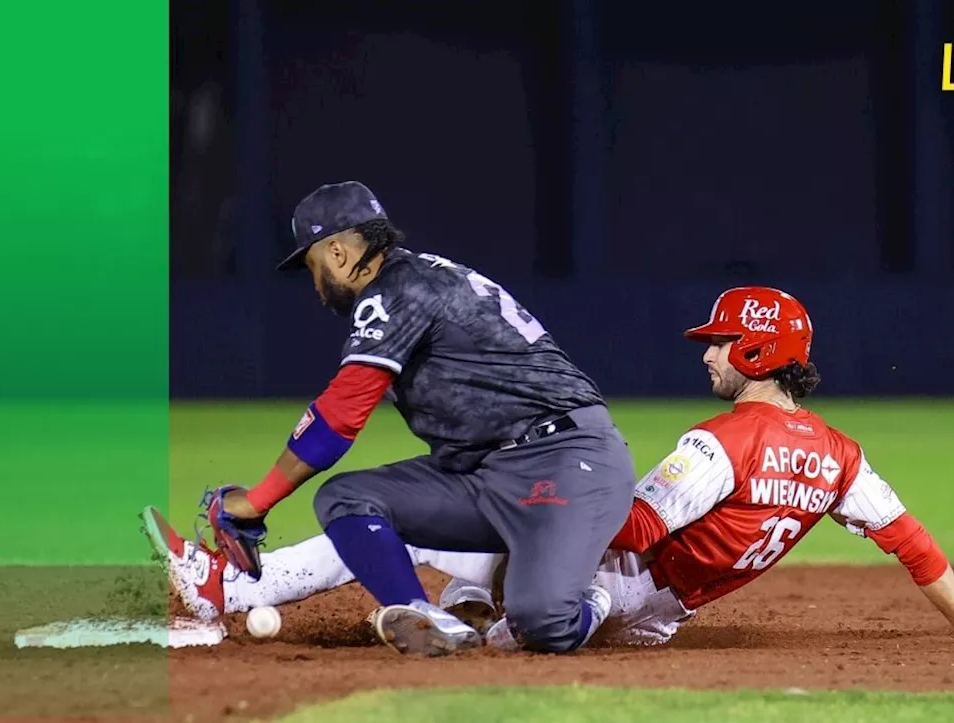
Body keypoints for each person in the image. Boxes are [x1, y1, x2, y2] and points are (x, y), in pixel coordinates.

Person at [149, 286, 954, 650]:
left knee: (417, 521)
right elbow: (911, 541)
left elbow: (633, 526)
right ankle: (472, 612)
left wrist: (525, 496)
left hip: (608, 583)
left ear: (758, 349)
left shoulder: (719, 442)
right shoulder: (841, 456)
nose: (709, 355)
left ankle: (224, 589)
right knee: (486, 574)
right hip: (657, 618)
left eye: (722, 343)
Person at [143, 180, 635, 656]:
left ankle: (594, 592)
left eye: (313, 267)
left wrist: (256, 501)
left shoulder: (397, 288)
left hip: (566, 461)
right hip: (484, 474)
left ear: (338, 253)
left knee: (542, 619)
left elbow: (340, 415)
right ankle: (425, 615)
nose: (315, 285)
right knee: (347, 498)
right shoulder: (419, 278)